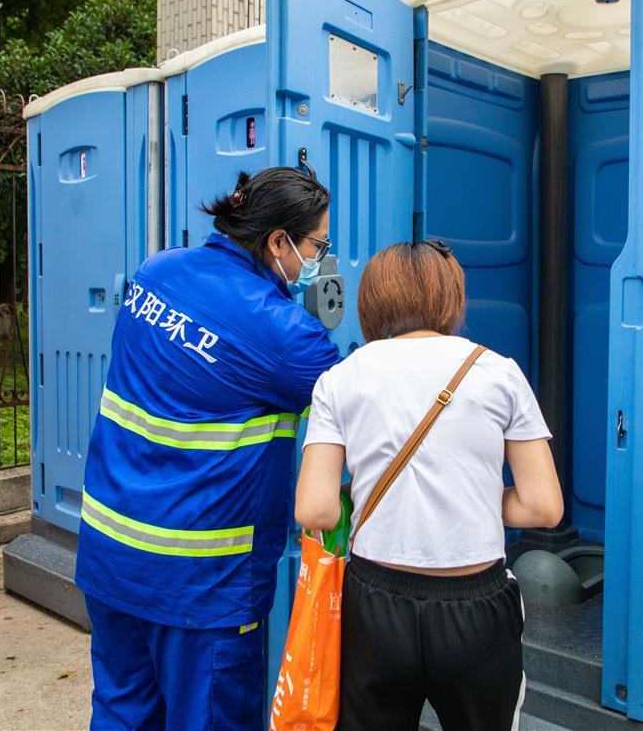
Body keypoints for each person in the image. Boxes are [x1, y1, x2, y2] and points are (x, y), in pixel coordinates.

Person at [75, 167, 341, 730]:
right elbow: (349, 405)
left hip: (112, 554)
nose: (316, 261)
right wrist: (315, 327)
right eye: (316, 247)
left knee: (121, 712)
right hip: (201, 584)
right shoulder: (286, 335)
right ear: (278, 242)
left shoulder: (156, 271)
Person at [295, 241, 565, 731]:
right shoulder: (499, 372)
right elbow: (543, 507)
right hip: (476, 606)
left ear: (372, 300)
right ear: (450, 297)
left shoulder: (339, 378)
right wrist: (471, 497)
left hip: (375, 603)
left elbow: (315, 511)